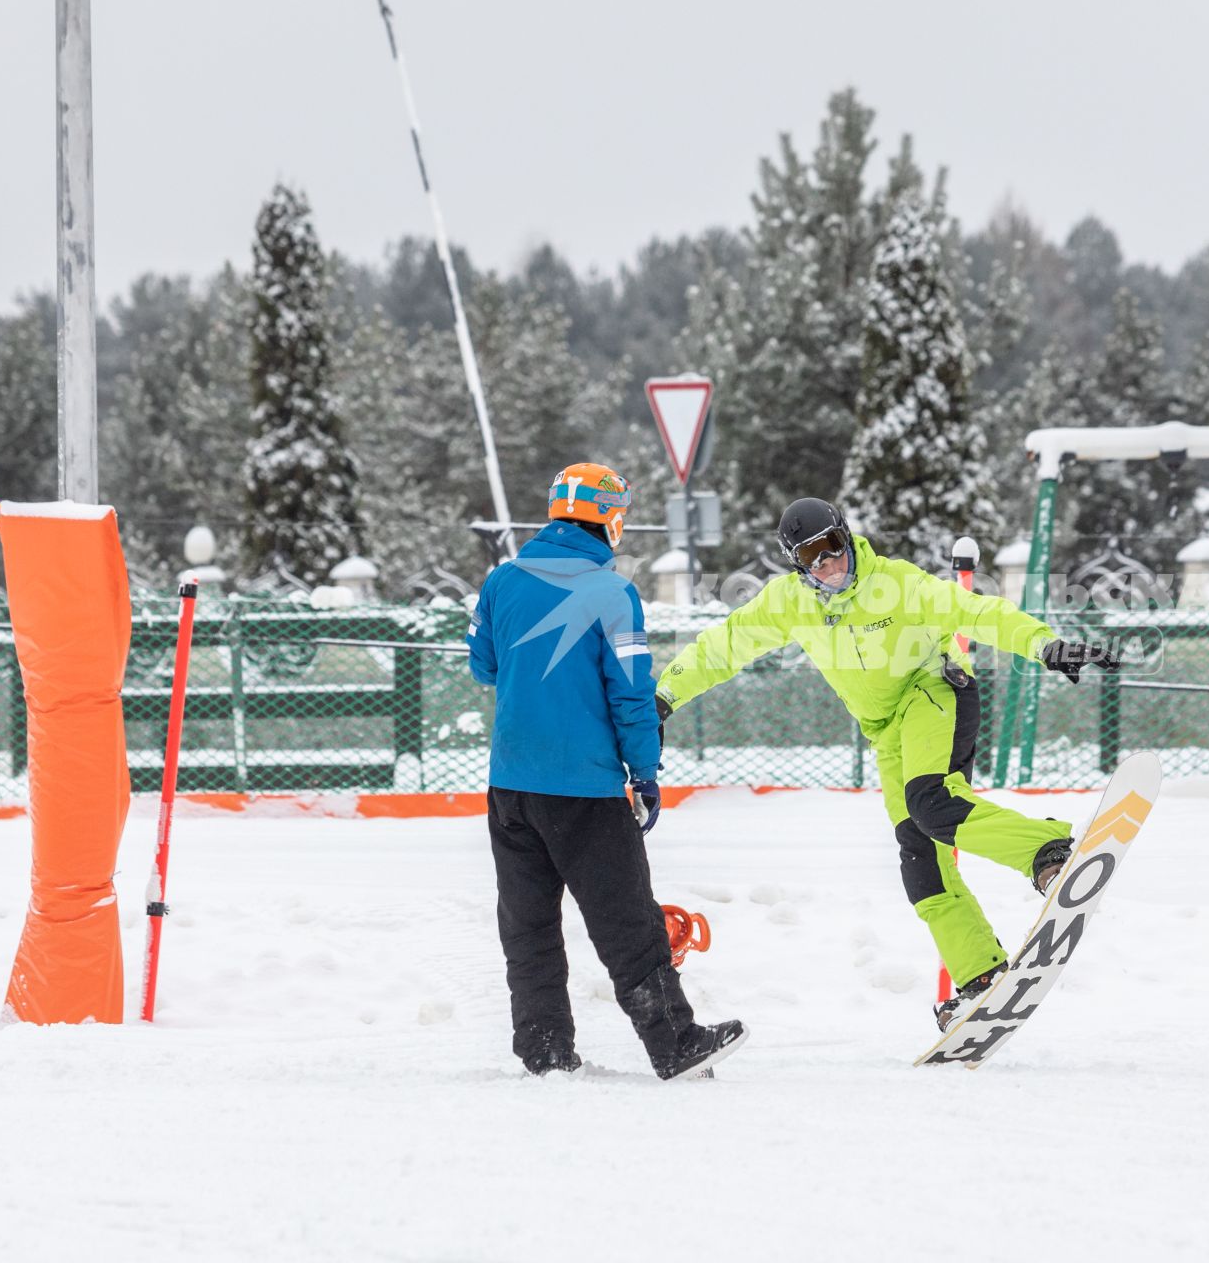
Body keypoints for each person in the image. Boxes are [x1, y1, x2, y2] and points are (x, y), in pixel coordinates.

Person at [654, 498, 1119, 1030]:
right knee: (920, 860)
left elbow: (978, 612)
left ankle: (1050, 853)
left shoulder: (895, 584)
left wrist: (1045, 645)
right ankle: (981, 978)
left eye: (832, 546)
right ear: (796, 564)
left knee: (932, 802)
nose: (827, 563)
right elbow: (723, 646)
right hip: (885, 730)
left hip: (935, 690)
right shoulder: (787, 603)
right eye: (810, 556)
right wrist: (664, 697)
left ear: (847, 538)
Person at [468, 462, 745, 1079]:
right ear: (609, 518)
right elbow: (631, 693)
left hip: (510, 785)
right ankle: (674, 1042)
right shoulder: (611, 593)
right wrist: (644, 774)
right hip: (585, 789)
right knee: (626, 921)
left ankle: (544, 1051)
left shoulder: (501, 580)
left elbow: (483, 666)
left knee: (528, 922)